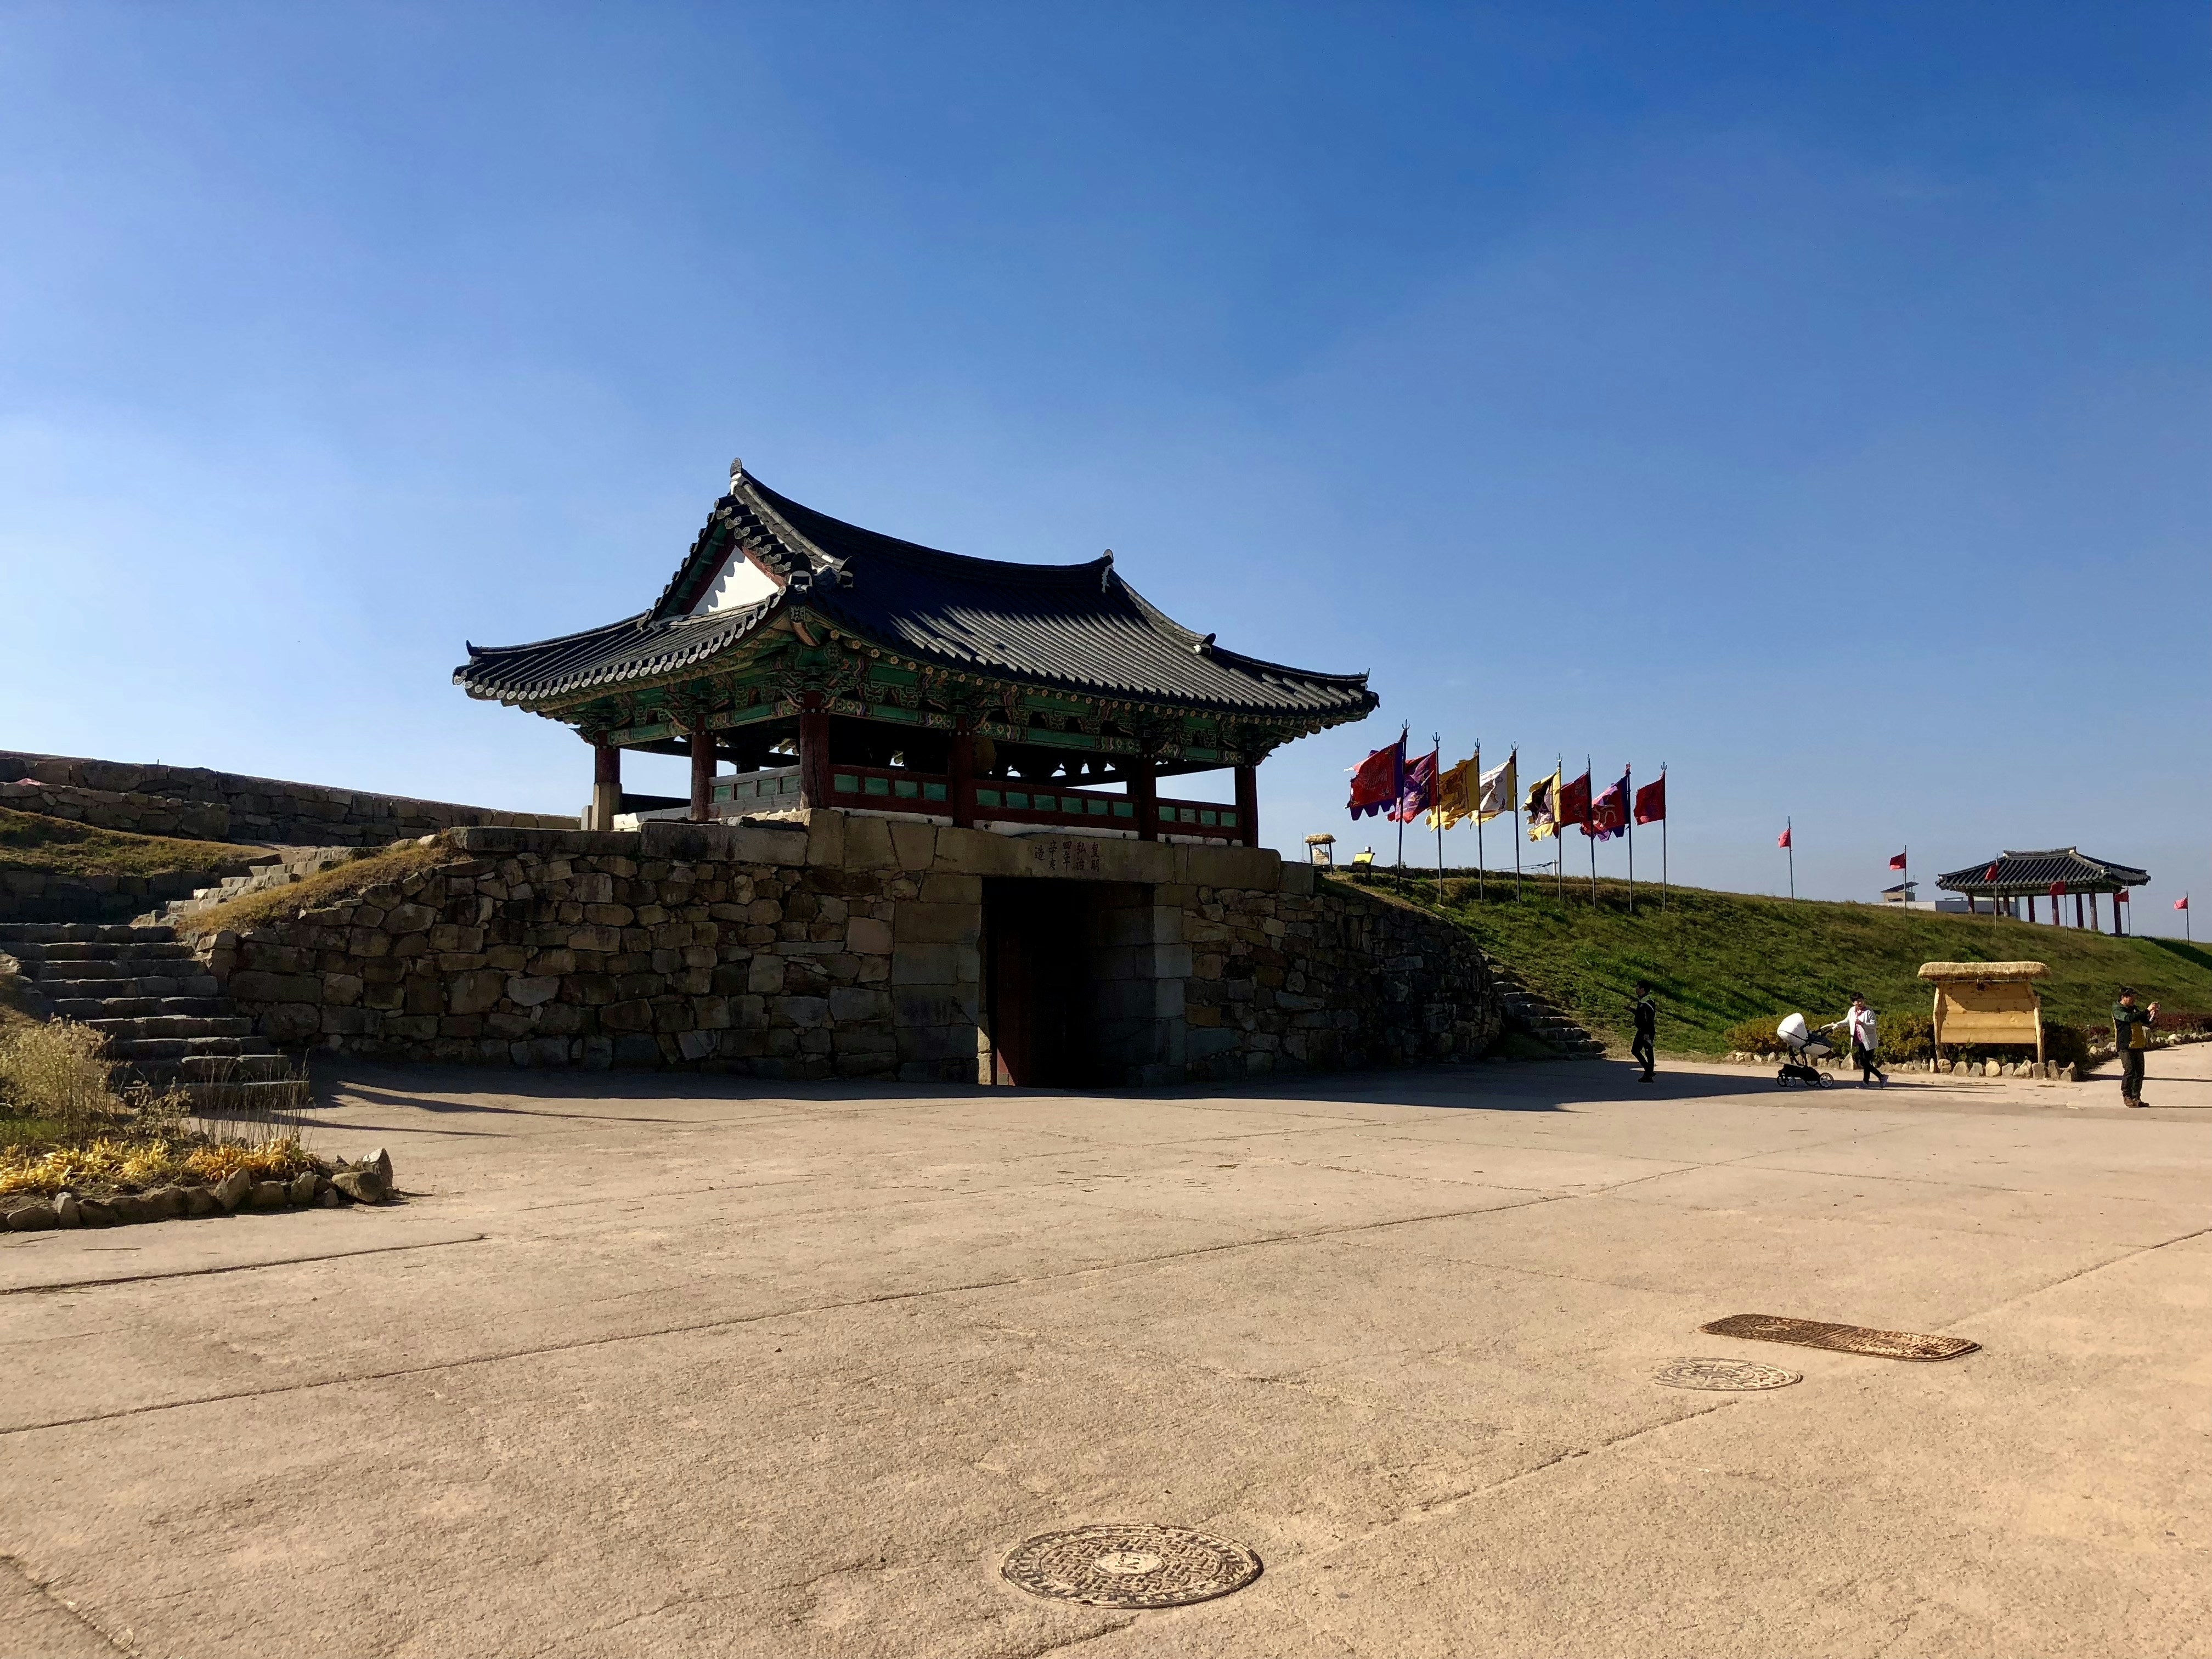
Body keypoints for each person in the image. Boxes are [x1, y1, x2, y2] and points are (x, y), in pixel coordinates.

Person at [1824, 995, 1886, 1086]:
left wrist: (1863, 1024)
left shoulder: (1869, 1012)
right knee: (1865, 1062)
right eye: (1858, 1001)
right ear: (1853, 1003)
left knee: (1865, 1062)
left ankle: (1875, 1079)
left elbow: (1874, 1025)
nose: (1860, 1003)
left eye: (1862, 1001)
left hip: (1869, 1041)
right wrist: (1837, 1025)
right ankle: (1871, 1080)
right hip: (1860, 1041)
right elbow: (1847, 1021)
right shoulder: (1852, 1011)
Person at [2113, 987, 2159, 1106]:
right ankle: (2127, 1096)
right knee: (2130, 1070)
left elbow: (2145, 1021)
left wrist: (2152, 1014)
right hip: (2125, 1046)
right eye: (2131, 998)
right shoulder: (2118, 1010)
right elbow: (2129, 1019)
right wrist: (2146, 1010)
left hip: (2137, 1045)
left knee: (2139, 1072)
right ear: (2123, 997)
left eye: (2134, 998)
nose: (2133, 1000)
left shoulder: (2134, 1010)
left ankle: (2136, 1098)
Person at [1629, 981, 1657, 1083]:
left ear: (1643, 989)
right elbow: (1641, 1015)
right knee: (1644, 1051)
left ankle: (1649, 1073)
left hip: (1646, 1031)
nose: (1636, 989)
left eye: (1637, 987)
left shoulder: (1647, 1002)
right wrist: (1631, 1010)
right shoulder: (1643, 1000)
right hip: (1643, 1030)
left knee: (1645, 1051)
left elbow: (1648, 1019)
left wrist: (1646, 1033)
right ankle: (1649, 1072)